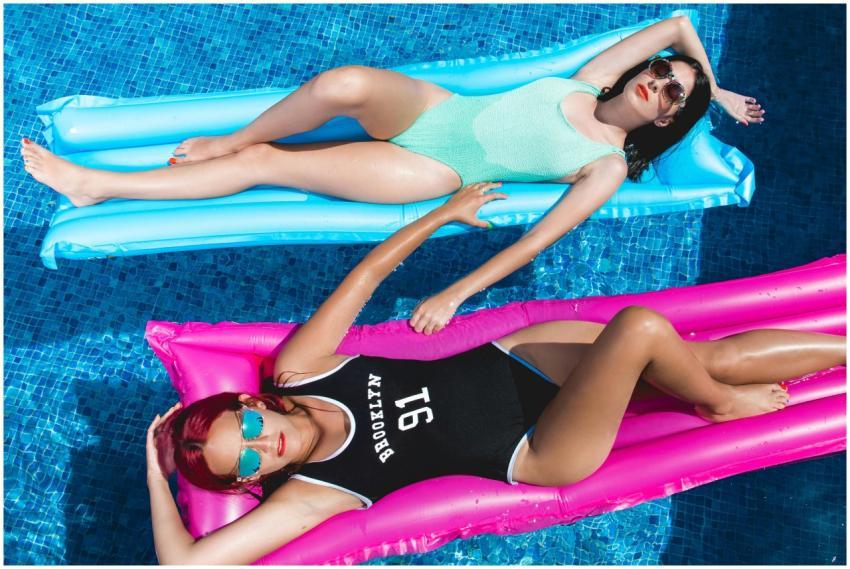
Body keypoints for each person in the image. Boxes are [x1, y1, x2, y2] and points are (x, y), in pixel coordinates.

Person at [147, 184, 842, 564]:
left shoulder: (299, 368)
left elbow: (365, 276)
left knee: (702, 353)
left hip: (516, 359)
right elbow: (186, 567)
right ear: (245, 481)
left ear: (251, 402)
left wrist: (442, 213)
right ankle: (721, 405)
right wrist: (159, 467)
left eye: (244, 427)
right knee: (644, 329)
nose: (256, 444)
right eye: (241, 460)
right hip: (537, 447)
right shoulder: (310, 494)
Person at [22, 16, 763, 334]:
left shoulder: (603, 164)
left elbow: (533, 244)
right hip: (436, 110)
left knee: (267, 168)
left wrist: (454, 290)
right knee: (342, 81)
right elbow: (674, 22)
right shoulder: (597, 80)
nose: (659, 82)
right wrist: (715, 87)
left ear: (666, 120)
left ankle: (98, 185)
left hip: (434, 165)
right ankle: (230, 136)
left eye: (671, 94)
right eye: (662, 76)